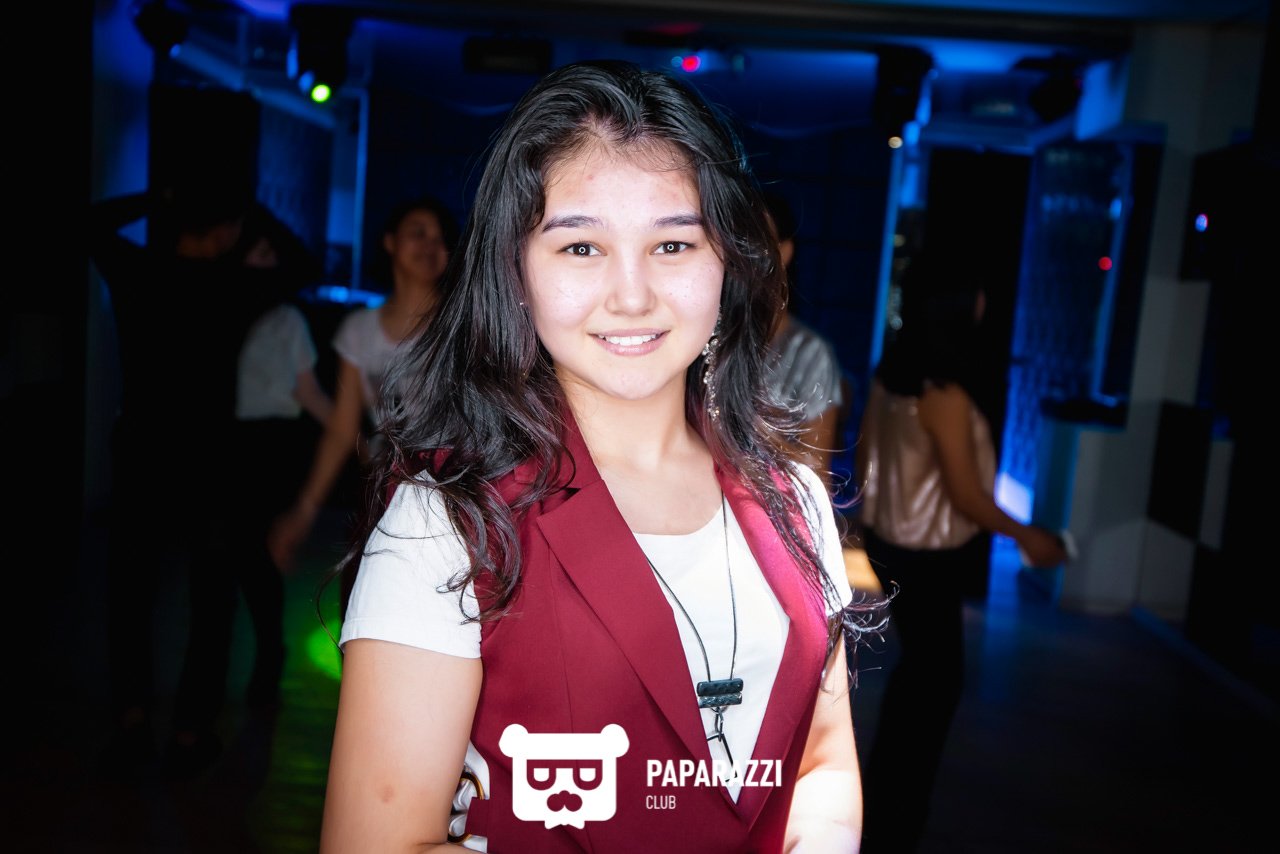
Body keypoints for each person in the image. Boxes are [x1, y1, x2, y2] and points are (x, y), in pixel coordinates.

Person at [319, 59, 885, 853]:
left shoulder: (794, 501)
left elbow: (820, 767)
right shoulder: (447, 520)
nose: (632, 295)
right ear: (516, 270)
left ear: (728, 261)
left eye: (673, 244)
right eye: (581, 247)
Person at [854, 255, 1068, 853]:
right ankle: (896, 822)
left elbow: (866, 460)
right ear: (956, 306)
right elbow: (967, 496)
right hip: (927, 555)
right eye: (976, 293)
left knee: (919, 678)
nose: (984, 303)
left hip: (891, 545)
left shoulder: (891, 374)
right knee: (935, 684)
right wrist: (1029, 536)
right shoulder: (943, 393)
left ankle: (884, 812)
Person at [89, 181, 282, 772]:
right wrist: (247, 208)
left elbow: (90, 222)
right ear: (226, 230)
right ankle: (190, 732)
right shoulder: (236, 284)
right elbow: (300, 260)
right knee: (212, 597)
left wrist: (162, 197)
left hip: (142, 450)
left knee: (131, 592)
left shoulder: (137, 270)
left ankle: (131, 722)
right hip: (210, 459)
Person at [164, 208, 333, 777]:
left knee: (254, 564)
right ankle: (203, 712)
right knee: (222, 577)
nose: (265, 264)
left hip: (268, 452)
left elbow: (307, 391)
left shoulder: (285, 316)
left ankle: (263, 661)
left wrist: (355, 437)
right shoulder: (216, 307)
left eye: (269, 255)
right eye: (256, 254)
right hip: (222, 452)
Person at [267, 195, 459, 573]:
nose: (430, 245)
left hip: (453, 489)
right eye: (418, 233)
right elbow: (342, 430)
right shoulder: (359, 330)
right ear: (389, 242)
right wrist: (304, 511)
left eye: (440, 238)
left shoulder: (461, 326)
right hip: (386, 490)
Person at [761, 190, 847, 488]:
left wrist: (746, 426)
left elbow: (818, 471)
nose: (742, 257)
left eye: (758, 243)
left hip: (772, 504)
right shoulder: (704, 336)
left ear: (784, 252)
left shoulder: (810, 354)